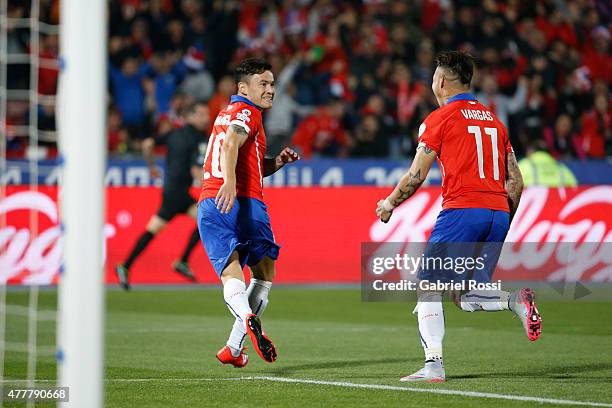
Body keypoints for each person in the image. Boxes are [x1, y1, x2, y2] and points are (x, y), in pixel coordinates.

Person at [376, 51, 542, 382]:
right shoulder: (495, 122)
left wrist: (389, 203)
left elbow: (414, 176)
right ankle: (516, 303)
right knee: (464, 294)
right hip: (497, 212)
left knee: (427, 285)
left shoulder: (439, 119)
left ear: (440, 81)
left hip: (462, 210)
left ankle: (433, 365)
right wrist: (501, 219)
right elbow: (516, 182)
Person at [197, 59, 300, 367]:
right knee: (264, 274)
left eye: (272, 84)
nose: (270, 90)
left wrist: (275, 162)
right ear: (243, 88)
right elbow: (230, 145)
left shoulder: (226, 113)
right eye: (263, 84)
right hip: (241, 200)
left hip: (210, 202)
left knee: (231, 273)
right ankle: (245, 324)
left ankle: (235, 344)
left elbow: (244, 158)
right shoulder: (247, 111)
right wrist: (229, 183)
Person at [114, 101, 210, 290]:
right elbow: (195, 169)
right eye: (201, 114)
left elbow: (148, 143)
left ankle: (126, 266)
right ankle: (181, 261)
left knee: (157, 228)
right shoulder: (199, 138)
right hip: (178, 195)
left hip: (172, 191)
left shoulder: (174, 133)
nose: (206, 118)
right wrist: (210, 186)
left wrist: (151, 167)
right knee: (208, 219)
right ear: (190, 116)